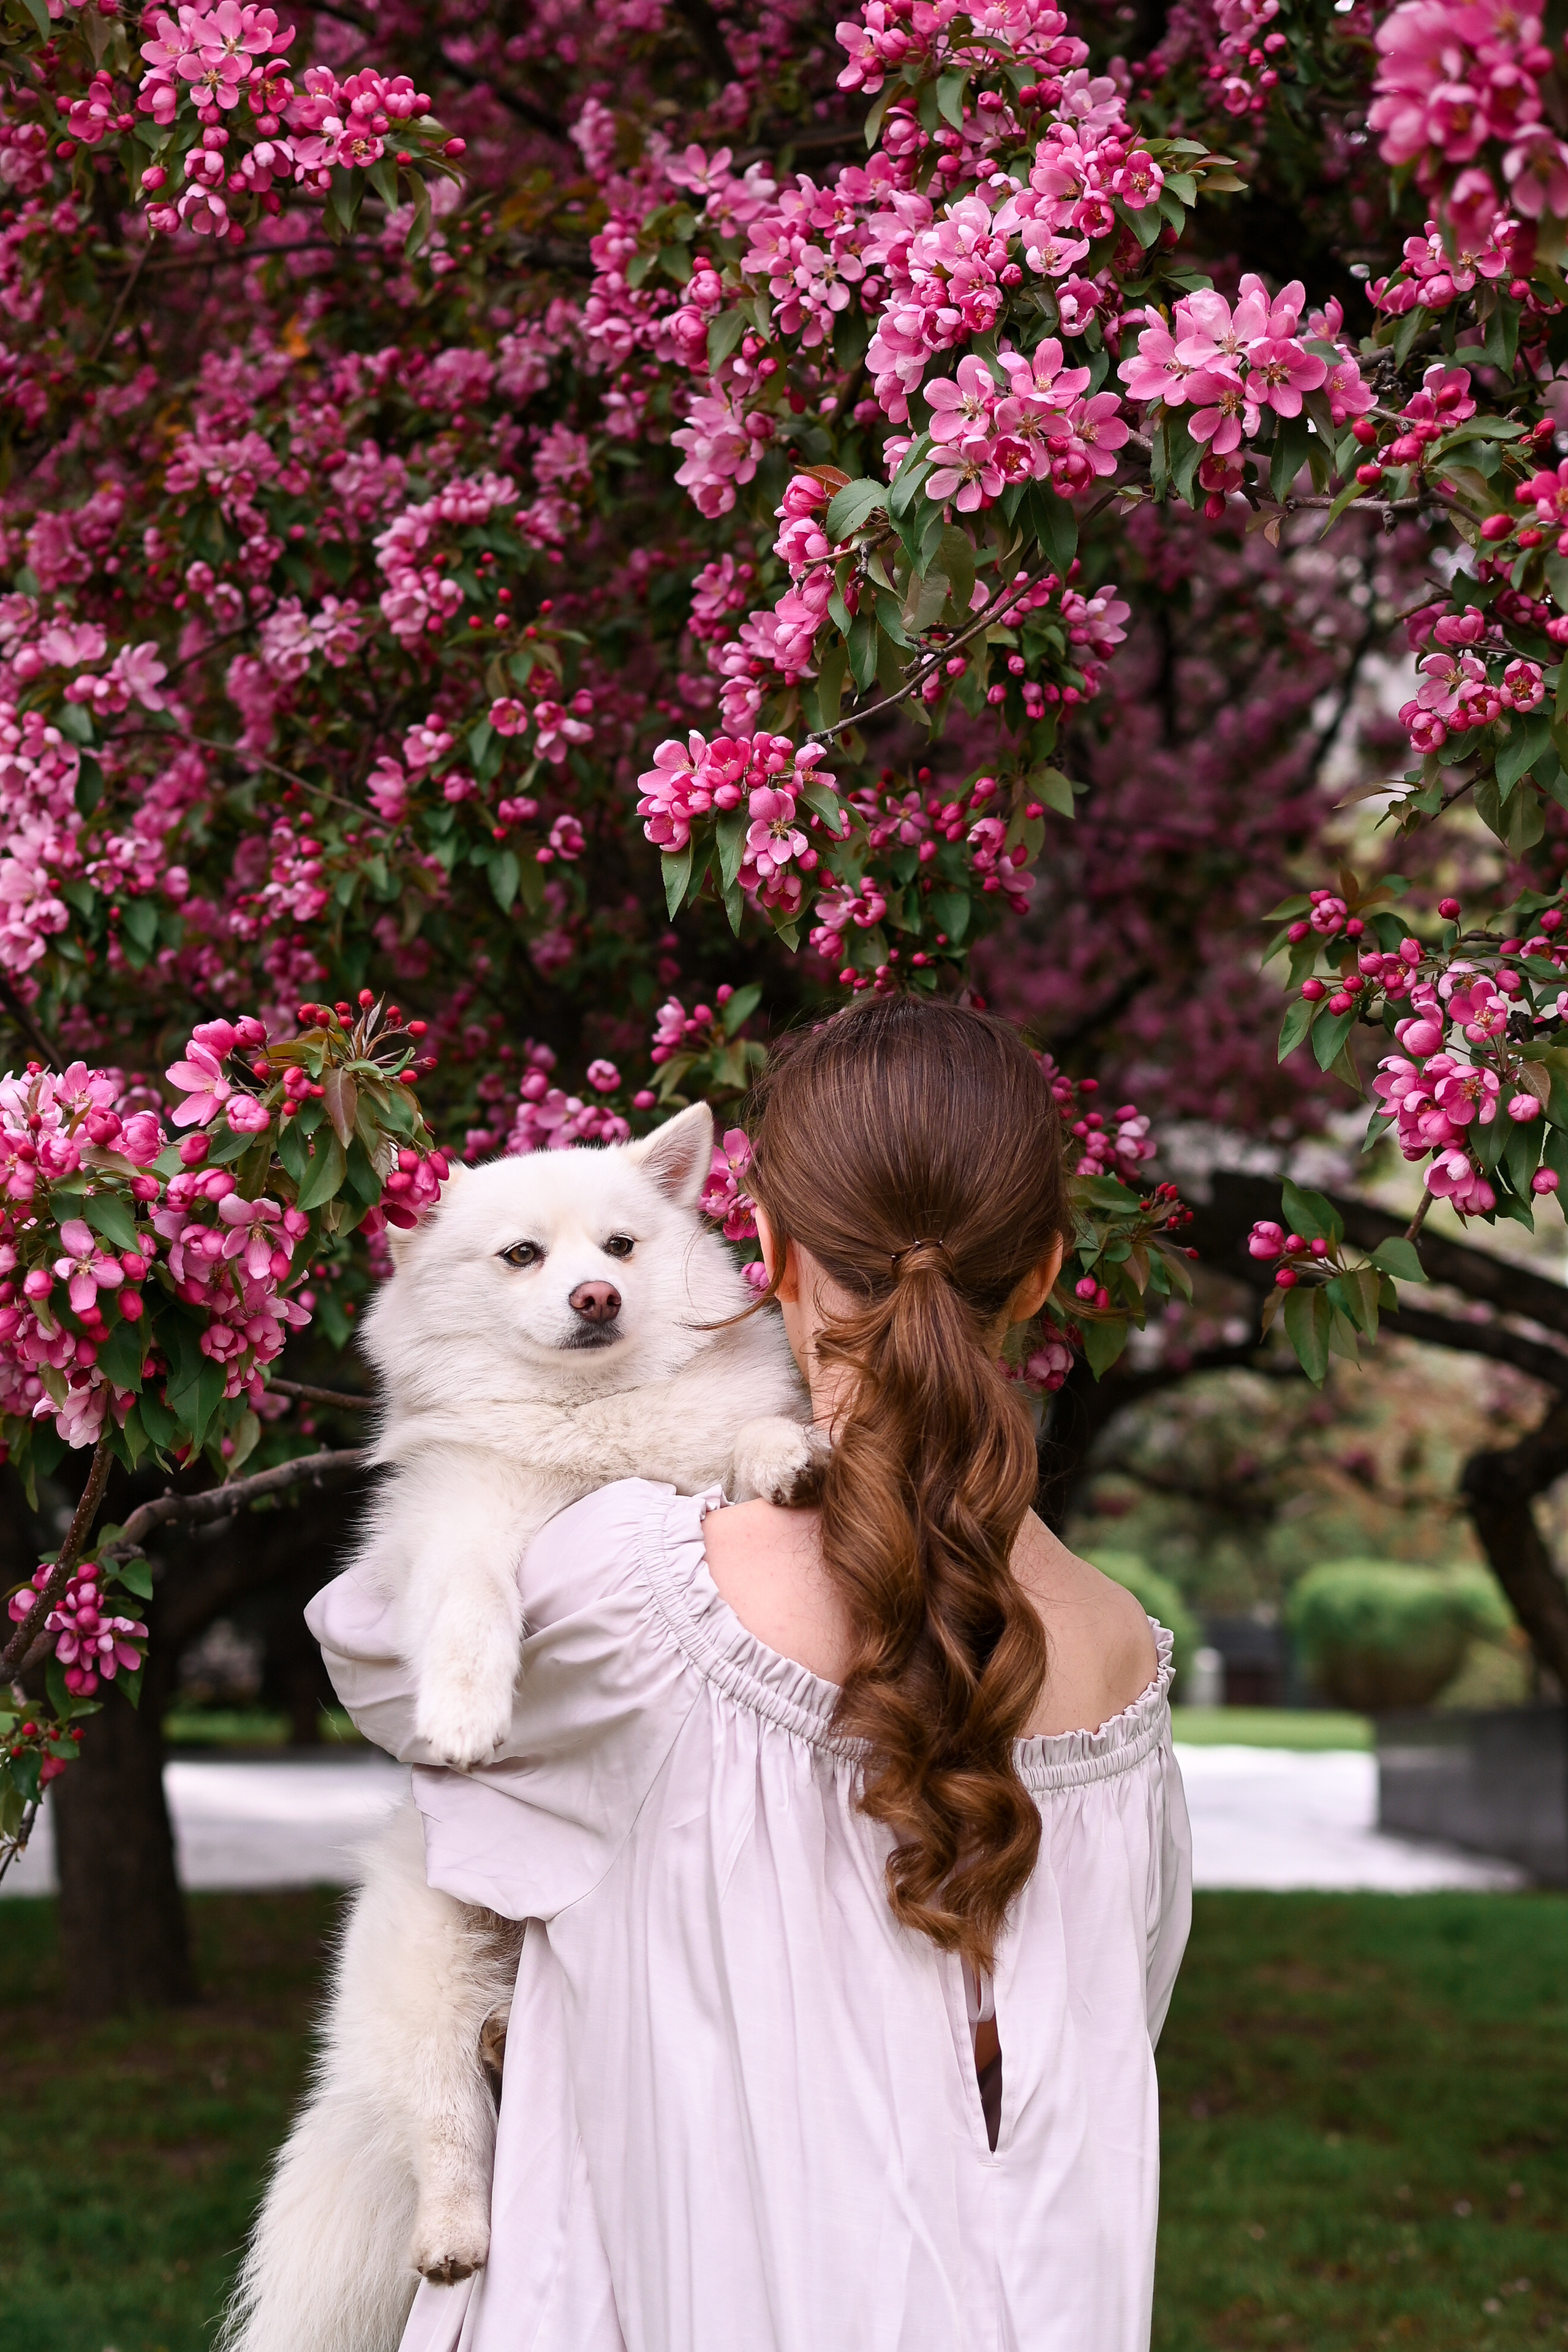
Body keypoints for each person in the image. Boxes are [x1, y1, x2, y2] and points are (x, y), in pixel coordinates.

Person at [316, 995, 1192, 2352]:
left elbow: (378, 1642)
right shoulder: (1122, 1659)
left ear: (765, 1248)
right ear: (1040, 1273)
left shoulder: (625, 1602)